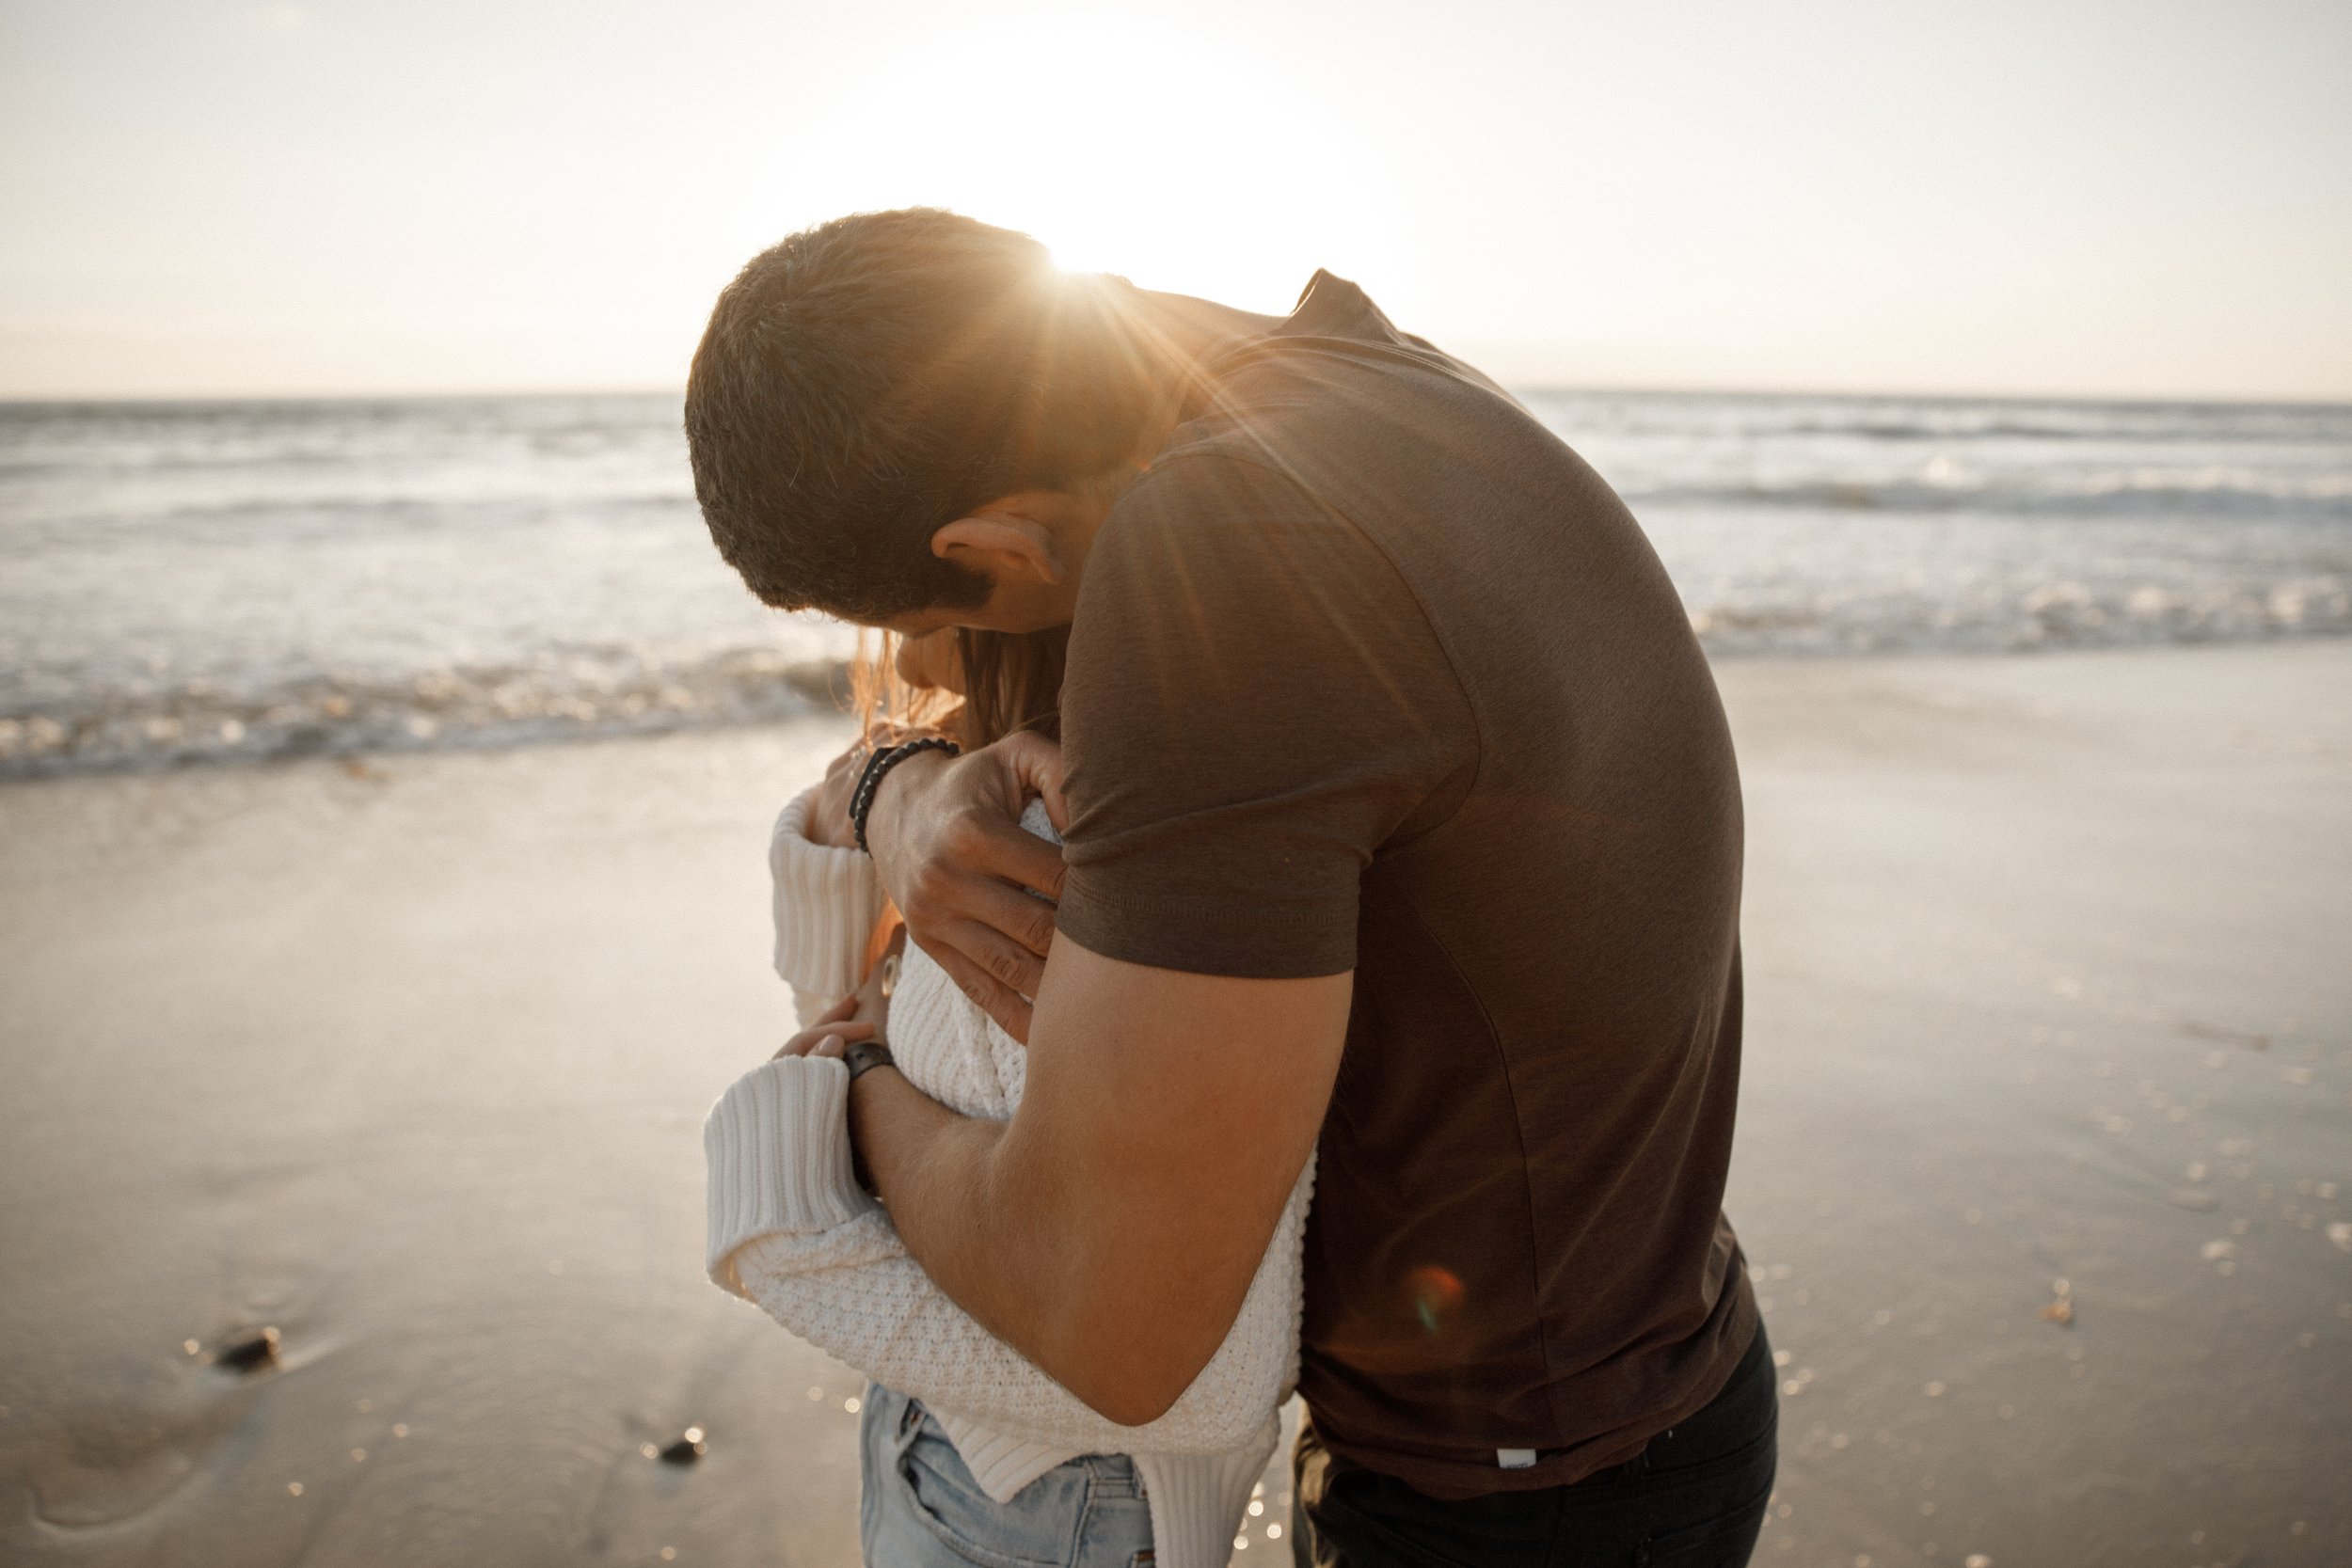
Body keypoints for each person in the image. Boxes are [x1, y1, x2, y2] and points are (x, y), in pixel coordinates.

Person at [687, 208, 1775, 1567]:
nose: (922, 659)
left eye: (920, 616)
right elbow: (925, 735)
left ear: (997, 546)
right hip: (1621, 1364)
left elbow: (1114, 1322)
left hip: (1532, 1490)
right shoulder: (1304, 379)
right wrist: (893, 790)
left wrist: (844, 1098)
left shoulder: (1230, 553)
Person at [705, 626, 1310, 1568]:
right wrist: (854, 801)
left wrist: (782, 1181)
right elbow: (839, 1012)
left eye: (909, 596)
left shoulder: (1061, 864)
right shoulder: (977, 806)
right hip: (975, 1456)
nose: (891, 642)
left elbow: (1203, 1386)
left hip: (1052, 1504)